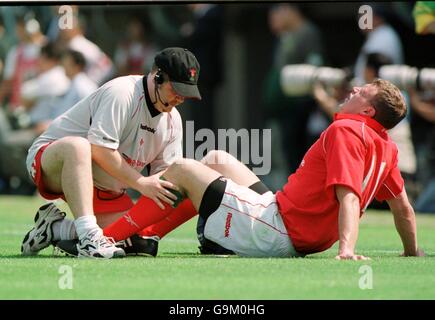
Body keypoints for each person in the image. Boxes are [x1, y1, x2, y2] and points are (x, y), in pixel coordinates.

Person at [57, 79, 424, 260]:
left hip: (278, 231)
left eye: (365, 91)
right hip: (283, 218)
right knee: (215, 157)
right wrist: (412, 251)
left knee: (182, 168)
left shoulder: (347, 129)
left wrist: (347, 249)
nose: (356, 87)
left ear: (368, 111)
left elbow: (348, 195)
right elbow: (403, 208)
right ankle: (149, 236)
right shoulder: (386, 148)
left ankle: (106, 240)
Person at [21, 47, 201, 259]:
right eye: (177, 89)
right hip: (51, 159)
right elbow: (100, 149)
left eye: (186, 93)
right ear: (158, 76)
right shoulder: (123, 92)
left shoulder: (174, 121)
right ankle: (89, 239)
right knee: (78, 147)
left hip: (105, 185)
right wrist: (142, 183)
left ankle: (55, 228)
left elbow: (164, 180)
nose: (181, 98)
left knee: (136, 240)